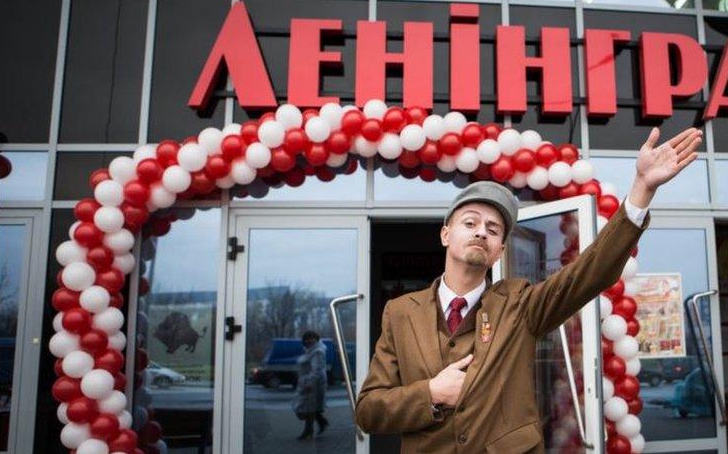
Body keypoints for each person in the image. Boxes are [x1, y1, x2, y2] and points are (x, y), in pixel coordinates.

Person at [356, 126, 703, 452]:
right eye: (470, 222)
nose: (482, 232)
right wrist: (430, 393)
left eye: (493, 230)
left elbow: (589, 273)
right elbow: (368, 410)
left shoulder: (519, 304)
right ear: (446, 234)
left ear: (500, 251)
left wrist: (641, 190)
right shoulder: (400, 312)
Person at [293, 330, 328, 440]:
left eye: (311, 338)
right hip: (307, 383)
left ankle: (308, 431)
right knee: (310, 407)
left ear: (316, 339)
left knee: (307, 409)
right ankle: (320, 423)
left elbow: (316, 370)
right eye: (306, 338)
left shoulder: (317, 351)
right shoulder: (310, 350)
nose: (309, 340)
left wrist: (309, 383)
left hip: (313, 384)